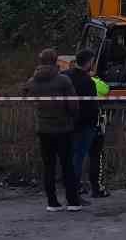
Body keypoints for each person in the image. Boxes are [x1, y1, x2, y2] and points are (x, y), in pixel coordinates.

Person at [21, 47, 81, 212]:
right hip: (63, 128)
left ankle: (52, 202)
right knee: (67, 165)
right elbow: (73, 104)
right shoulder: (63, 80)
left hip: (43, 128)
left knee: (48, 166)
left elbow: (24, 92)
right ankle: (73, 201)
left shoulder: (34, 80)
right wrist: (72, 117)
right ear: (55, 61)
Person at [63, 49, 103, 202]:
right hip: (83, 125)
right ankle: (74, 194)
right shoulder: (88, 82)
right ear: (88, 62)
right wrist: (94, 123)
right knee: (78, 158)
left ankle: (69, 190)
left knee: (68, 158)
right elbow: (92, 106)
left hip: (66, 123)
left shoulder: (65, 76)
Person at [88, 71, 111, 197]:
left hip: (79, 122)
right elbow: (106, 89)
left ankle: (76, 187)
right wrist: (97, 78)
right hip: (97, 121)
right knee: (97, 156)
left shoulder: (71, 79)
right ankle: (97, 188)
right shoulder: (95, 82)